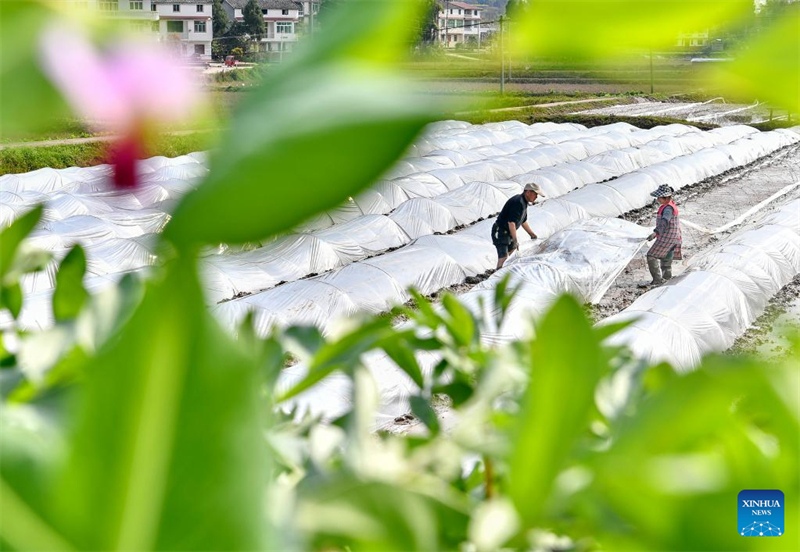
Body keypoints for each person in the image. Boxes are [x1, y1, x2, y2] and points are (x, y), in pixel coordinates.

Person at [491, 182, 543, 268]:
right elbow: (511, 223)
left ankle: (506, 271)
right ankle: (498, 273)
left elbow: (523, 221)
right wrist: (515, 241)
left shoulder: (524, 202)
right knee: (503, 258)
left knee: (512, 253)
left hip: (507, 232)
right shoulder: (518, 202)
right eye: (535, 194)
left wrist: (532, 234)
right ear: (528, 192)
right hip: (500, 231)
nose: (536, 197)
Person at [639, 184, 682, 288]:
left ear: (666, 198)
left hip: (667, 236)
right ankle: (667, 279)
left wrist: (656, 233)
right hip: (675, 236)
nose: (657, 199)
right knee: (666, 258)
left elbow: (664, 221)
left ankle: (657, 280)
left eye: (659, 197)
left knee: (651, 255)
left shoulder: (668, 209)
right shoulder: (671, 205)